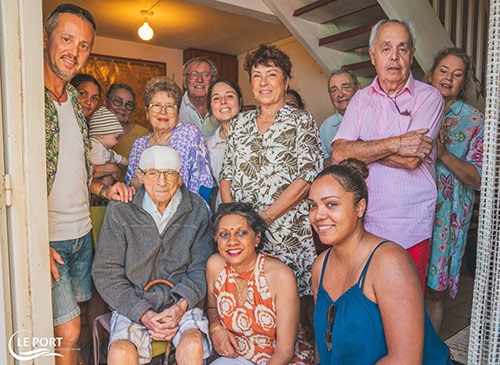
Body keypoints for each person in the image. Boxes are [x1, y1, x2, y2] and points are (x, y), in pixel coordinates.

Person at [43, 4, 134, 364]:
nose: (74, 52)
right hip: (49, 238)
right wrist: (30, 241)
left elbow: (76, 173)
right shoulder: (28, 101)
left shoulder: (76, 110)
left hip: (81, 234)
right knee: (66, 333)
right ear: (46, 38)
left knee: (74, 327)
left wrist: (104, 190)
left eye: (84, 45)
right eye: (67, 39)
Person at [220, 44, 323, 341]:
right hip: (245, 234)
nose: (263, 82)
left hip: (288, 233)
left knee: (296, 311)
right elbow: (226, 173)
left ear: (286, 81)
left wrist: (262, 219)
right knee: (250, 303)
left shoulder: (301, 121)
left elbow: (306, 178)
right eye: (257, 75)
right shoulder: (239, 123)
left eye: (272, 74)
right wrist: (236, 224)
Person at [332, 19, 444, 289]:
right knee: (366, 302)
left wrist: (361, 149)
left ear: (411, 54)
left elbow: (412, 159)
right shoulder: (360, 99)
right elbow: (338, 153)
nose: (394, 57)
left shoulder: (429, 98)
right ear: (373, 56)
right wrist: (396, 142)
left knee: (404, 307)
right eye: (386, 48)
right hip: (363, 223)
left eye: (402, 49)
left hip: (409, 224)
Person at [309, 159, 452, 364]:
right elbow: (322, 348)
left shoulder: (389, 262)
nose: (318, 215)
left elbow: (405, 360)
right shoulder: (320, 266)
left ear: (360, 207)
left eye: (331, 204)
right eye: (312, 206)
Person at [92, 146, 214, 365]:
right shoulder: (121, 210)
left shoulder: (196, 208)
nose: (161, 181)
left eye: (169, 173)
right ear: (140, 176)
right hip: (134, 301)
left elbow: (201, 268)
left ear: (180, 178)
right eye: (153, 173)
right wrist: (142, 313)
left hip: (182, 300)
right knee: (120, 351)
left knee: (193, 344)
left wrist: (179, 307)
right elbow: (106, 271)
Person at [206, 202, 313, 364]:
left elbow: (285, 351)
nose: (232, 241)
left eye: (241, 233)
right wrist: (215, 328)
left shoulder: (279, 275)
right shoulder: (216, 266)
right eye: (223, 234)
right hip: (239, 358)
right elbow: (212, 307)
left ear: (257, 237)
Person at [425, 48, 484, 333]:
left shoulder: (474, 120)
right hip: (409, 214)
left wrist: (444, 154)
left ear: (463, 83)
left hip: (446, 221)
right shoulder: (414, 107)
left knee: (434, 292)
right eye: (444, 70)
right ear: (432, 74)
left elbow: (478, 179)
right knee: (401, 286)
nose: (448, 78)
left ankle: (429, 354)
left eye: (457, 74)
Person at [125, 76, 213, 204]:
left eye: (170, 106)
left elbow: (203, 182)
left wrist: (196, 215)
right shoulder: (139, 144)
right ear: (147, 112)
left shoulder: (188, 134)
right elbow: (130, 185)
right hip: (145, 216)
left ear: (177, 111)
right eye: (156, 105)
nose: (163, 111)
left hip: (186, 214)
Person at [206, 78, 243, 209]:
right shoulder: (208, 147)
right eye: (216, 98)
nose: (223, 102)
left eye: (229, 96)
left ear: (240, 101)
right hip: (226, 214)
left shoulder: (258, 134)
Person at [319, 68, 360, 167]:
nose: (340, 94)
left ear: (358, 88)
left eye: (346, 87)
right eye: (334, 90)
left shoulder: (374, 117)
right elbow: (327, 164)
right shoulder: (326, 127)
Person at [179, 57, 220, 139]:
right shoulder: (175, 106)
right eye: (194, 74)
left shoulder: (221, 106)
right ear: (185, 81)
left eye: (206, 75)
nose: (200, 80)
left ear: (213, 81)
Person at [106, 83, 149, 159]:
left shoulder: (142, 135)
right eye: (118, 101)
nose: (123, 108)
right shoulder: (94, 131)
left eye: (129, 105)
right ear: (106, 102)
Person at [89, 106, 128, 175]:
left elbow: (121, 159)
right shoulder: (93, 146)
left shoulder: (108, 150)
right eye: (116, 138)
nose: (117, 142)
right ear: (102, 134)